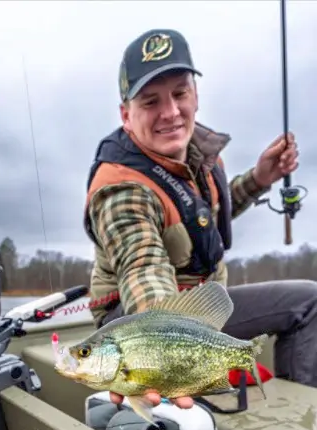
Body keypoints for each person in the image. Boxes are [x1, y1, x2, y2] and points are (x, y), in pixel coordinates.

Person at [83, 28, 313, 409]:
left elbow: (205, 218)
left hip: (201, 307)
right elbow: (142, 267)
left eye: (179, 93)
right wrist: (159, 349)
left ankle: (303, 416)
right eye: (150, 101)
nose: (170, 112)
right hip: (134, 325)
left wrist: (259, 179)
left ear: (195, 95)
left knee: (310, 300)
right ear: (127, 115)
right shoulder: (120, 191)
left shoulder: (198, 157)